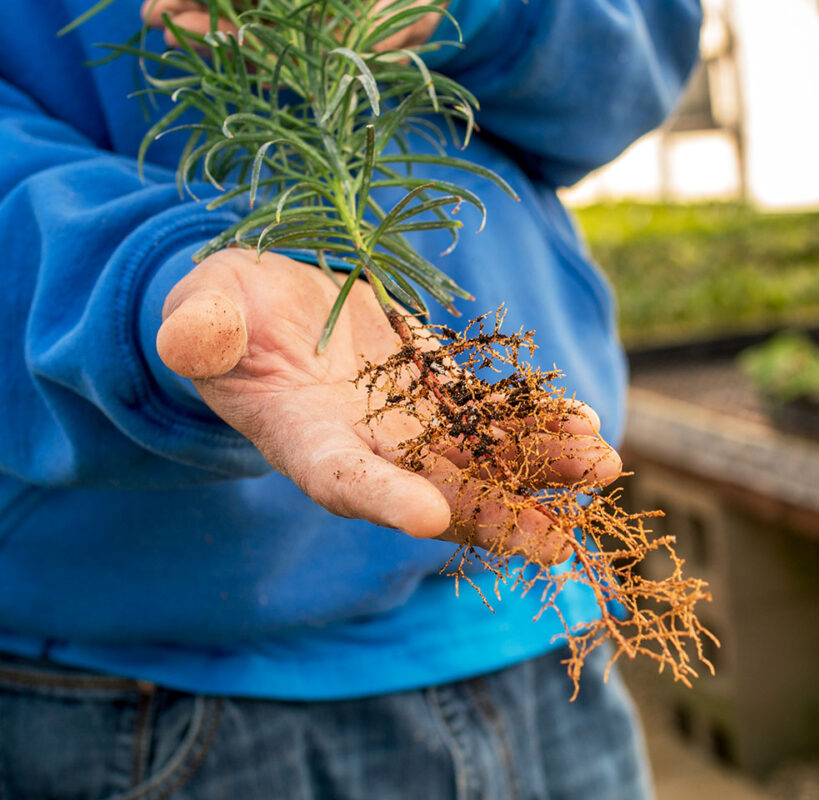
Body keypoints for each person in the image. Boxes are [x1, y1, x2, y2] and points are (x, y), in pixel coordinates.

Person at [0, 0, 702, 797]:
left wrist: (466, 11)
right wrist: (152, 285)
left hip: (538, 623)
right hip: (148, 691)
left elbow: (636, 57)